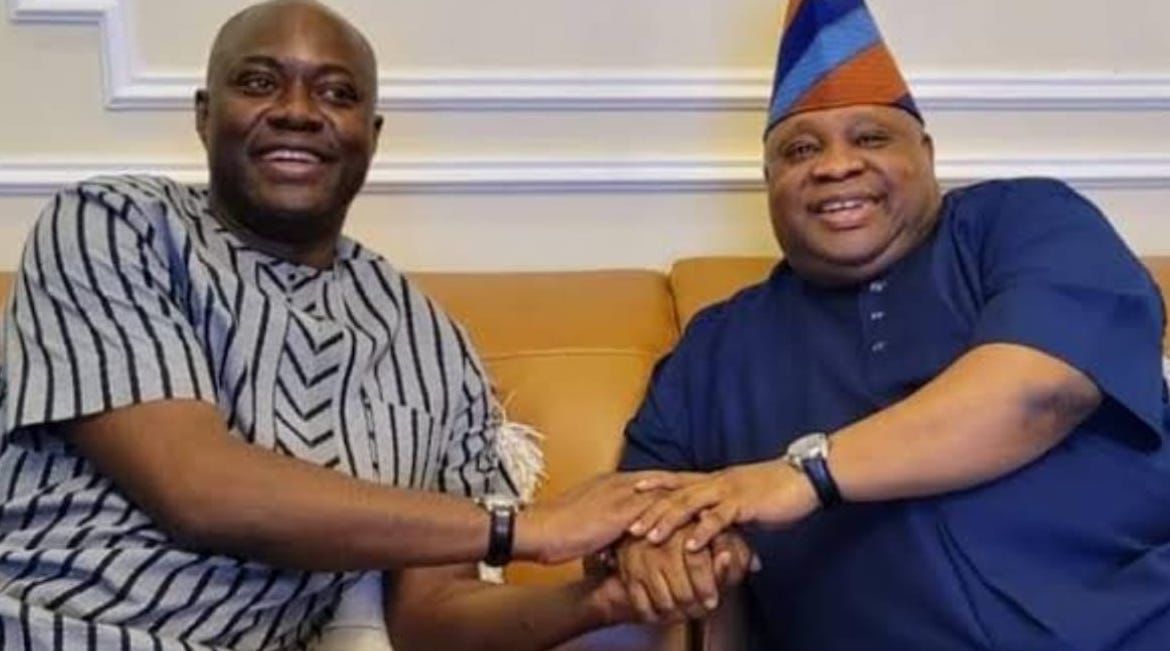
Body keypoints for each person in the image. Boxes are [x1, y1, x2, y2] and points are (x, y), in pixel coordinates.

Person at [0, 2, 692, 649]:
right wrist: (529, 528)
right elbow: (196, 489)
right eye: (259, 82)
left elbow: (430, 616)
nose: (297, 112)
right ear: (205, 115)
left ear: (372, 135)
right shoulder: (116, 223)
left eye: (336, 93)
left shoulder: (431, 343)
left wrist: (599, 600)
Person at [616, 1, 1170, 649]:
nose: (835, 165)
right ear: (769, 180)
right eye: (800, 150)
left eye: (871, 138)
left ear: (927, 153)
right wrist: (659, 552)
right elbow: (636, 509)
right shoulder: (716, 346)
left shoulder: (1026, 221)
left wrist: (801, 475)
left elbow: (1038, 391)